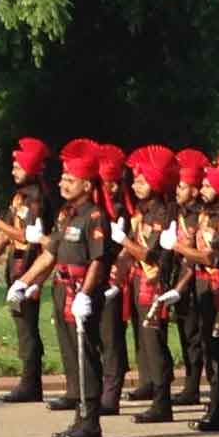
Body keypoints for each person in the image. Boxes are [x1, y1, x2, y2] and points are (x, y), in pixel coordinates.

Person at [6, 138, 110, 437]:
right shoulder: (66, 215)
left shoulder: (94, 217)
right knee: (69, 354)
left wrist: (85, 295)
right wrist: (24, 281)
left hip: (82, 293)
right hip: (62, 289)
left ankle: (91, 422)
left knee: (86, 355)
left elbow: (98, 261)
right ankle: (78, 417)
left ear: (87, 185)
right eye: (63, 178)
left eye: (70, 179)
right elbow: (50, 254)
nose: (63, 184)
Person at [170, 155, 219, 432]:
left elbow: (212, 257)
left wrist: (179, 248)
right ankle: (215, 405)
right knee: (209, 348)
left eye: (209, 185)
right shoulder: (203, 215)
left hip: (218, 288)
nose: (203, 189)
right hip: (201, 287)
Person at [0, 137, 52, 404]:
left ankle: (30, 382)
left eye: (18, 167)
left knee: (27, 326)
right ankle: (28, 379)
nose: (13, 171)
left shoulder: (37, 199)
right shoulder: (19, 196)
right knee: (20, 322)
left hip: (30, 264)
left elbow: (28, 235)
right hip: (15, 262)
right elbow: (7, 232)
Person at [112, 146, 179, 424]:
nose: (136, 186)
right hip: (138, 281)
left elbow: (149, 253)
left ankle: (162, 402)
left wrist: (124, 243)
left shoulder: (161, 214)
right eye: (136, 181)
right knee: (143, 340)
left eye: (141, 181)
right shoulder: (140, 212)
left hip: (155, 283)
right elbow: (130, 249)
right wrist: (118, 265)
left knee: (155, 342)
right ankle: (152, 389)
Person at [170, 148, 212, 405]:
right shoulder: (180, 213)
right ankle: (190, 382)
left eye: (183, 187)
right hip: (180, 276)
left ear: (194, 191)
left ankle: (194, 385)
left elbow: (197, 253)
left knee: (197, 336)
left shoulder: (200, 216)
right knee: (186, 334)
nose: (177, 190)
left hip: (195, 278)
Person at [95, 143, 134, 415]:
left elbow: (126, 250)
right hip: (94, 277)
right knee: (97, 336)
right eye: (106, 183)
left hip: (114, 277)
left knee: (112, 338)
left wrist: (116, 279)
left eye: (114, 182)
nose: (111, 188)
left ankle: (111, 394)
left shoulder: (122, 209)